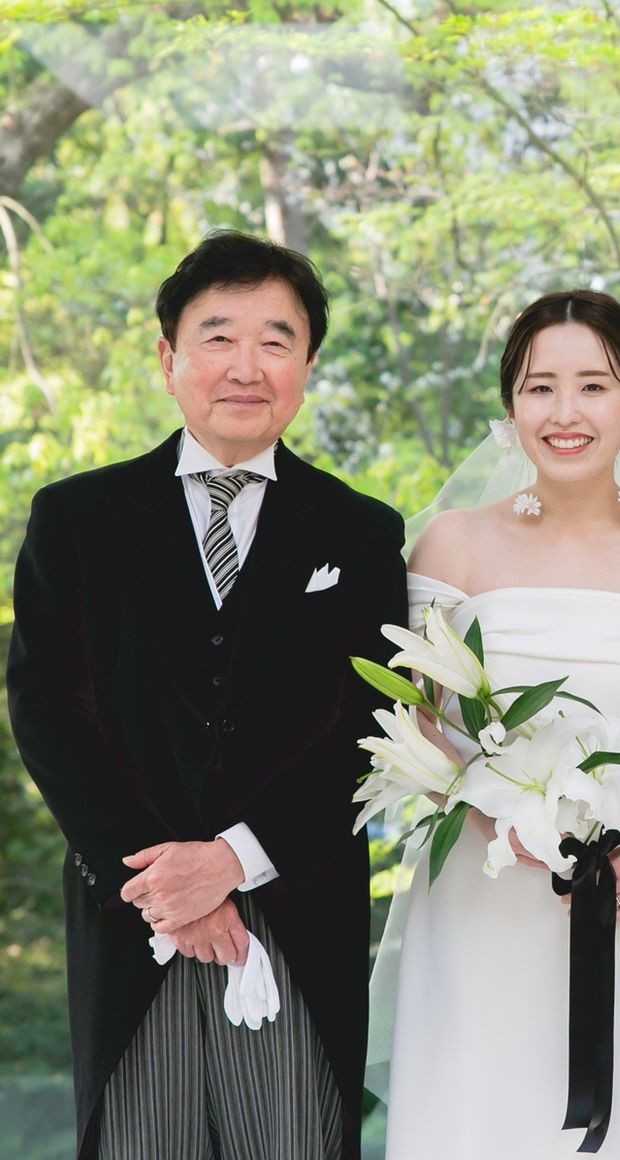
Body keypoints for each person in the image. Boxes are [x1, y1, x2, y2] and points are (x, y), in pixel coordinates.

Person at [7, 230, 407, 1160]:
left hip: (297, 914)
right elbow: (47, 707)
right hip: (134, 918)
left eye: (276, 340)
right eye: (218, 336)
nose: (246, 366)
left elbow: (374, 723)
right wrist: (169, 887)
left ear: (307, 365)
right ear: (168, 358)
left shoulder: (360, 531)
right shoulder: (78, 518)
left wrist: (234, 859)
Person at [373, 290, 620, 1159]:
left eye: (594, 386)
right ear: (510, 407)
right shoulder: (453, 545)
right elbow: (416, 718)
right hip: (481, 889)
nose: (565, 413)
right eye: (540, 387)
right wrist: (495, 822)